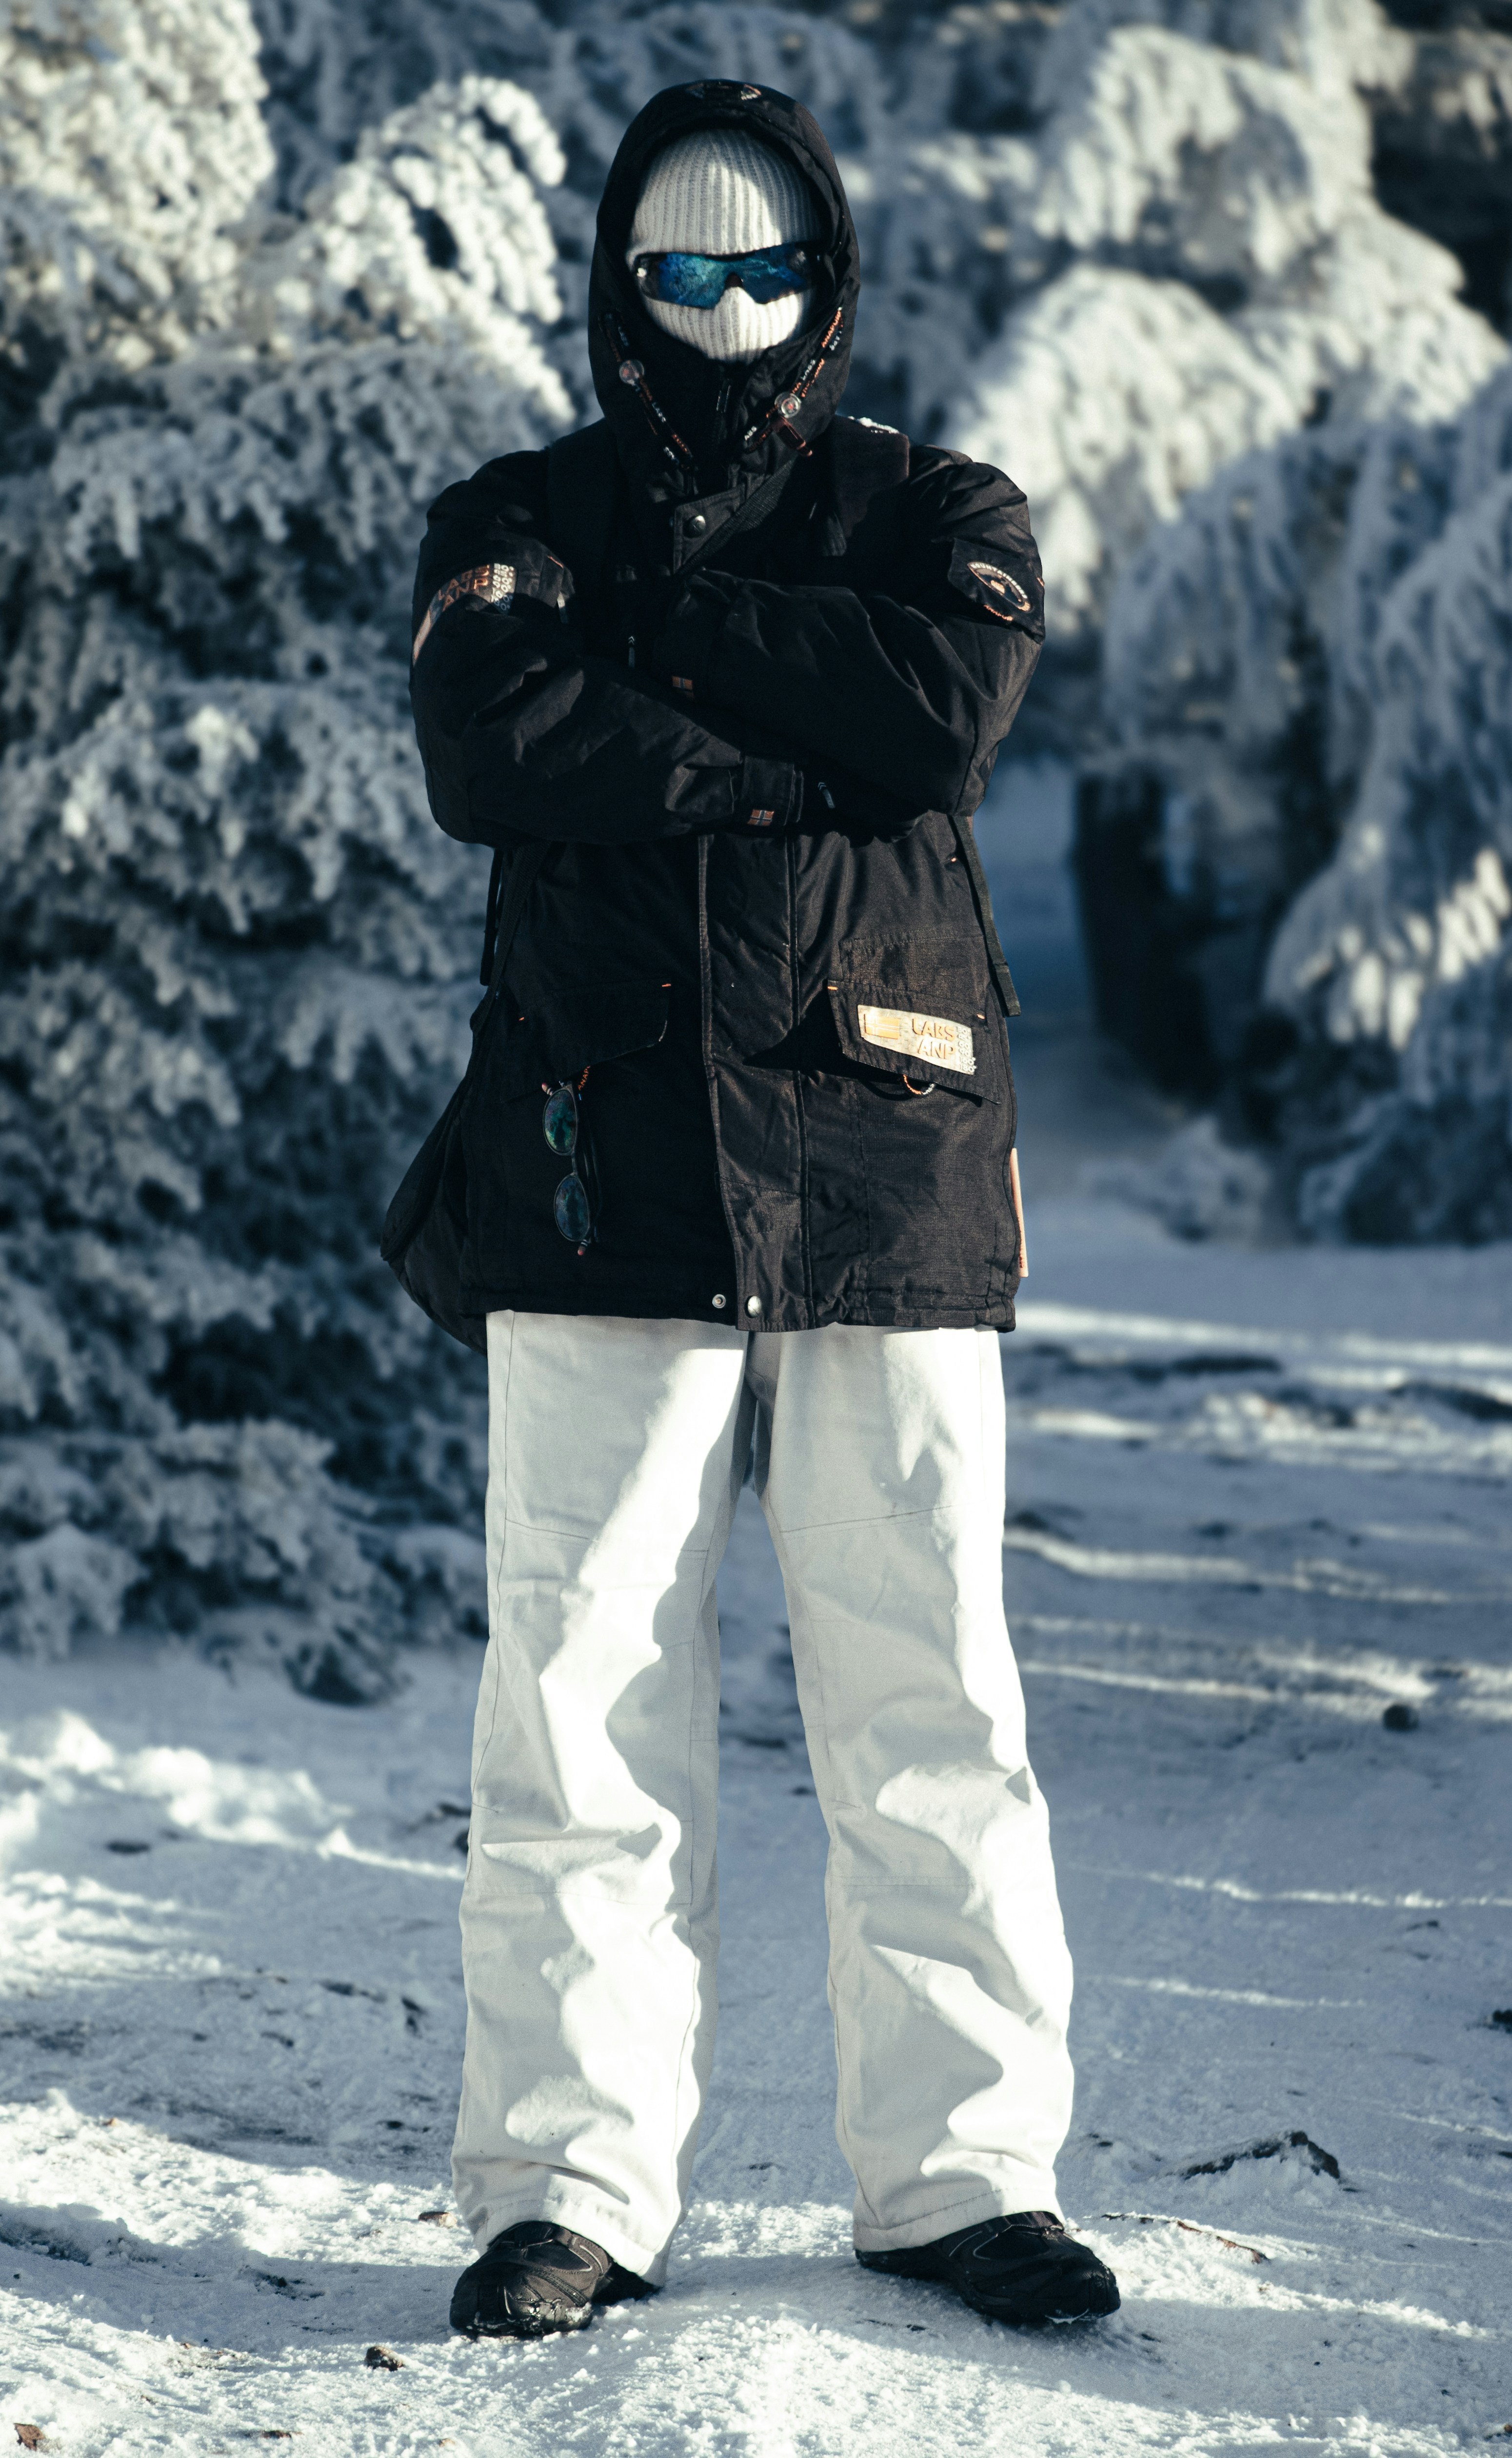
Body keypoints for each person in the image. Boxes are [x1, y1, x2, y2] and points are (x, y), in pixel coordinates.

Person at [405, 77, 1119, 2342]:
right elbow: (488, 753)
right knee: (578, 1698)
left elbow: (939, 719)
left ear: (829, 280)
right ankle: (567, 2186)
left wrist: (666, 639)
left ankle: (959, 2176)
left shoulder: (944, 502)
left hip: (888, 1160)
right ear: (619, 284)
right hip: (590, 1157)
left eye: (766, 269)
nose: (721, 311)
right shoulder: (509, 505)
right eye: (674, 272)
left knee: (930, 1696)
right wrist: (792, 722)